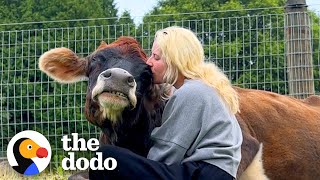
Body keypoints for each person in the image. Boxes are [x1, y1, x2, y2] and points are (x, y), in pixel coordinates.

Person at [89, 26, 243, 180]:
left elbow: (168, 152)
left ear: (174, 61)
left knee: (106, 157)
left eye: (156, 57)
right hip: (214, 173)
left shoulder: (191, 92)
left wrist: (136, 168)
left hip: (203, 174)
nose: (149, 63)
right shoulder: (209, 88)